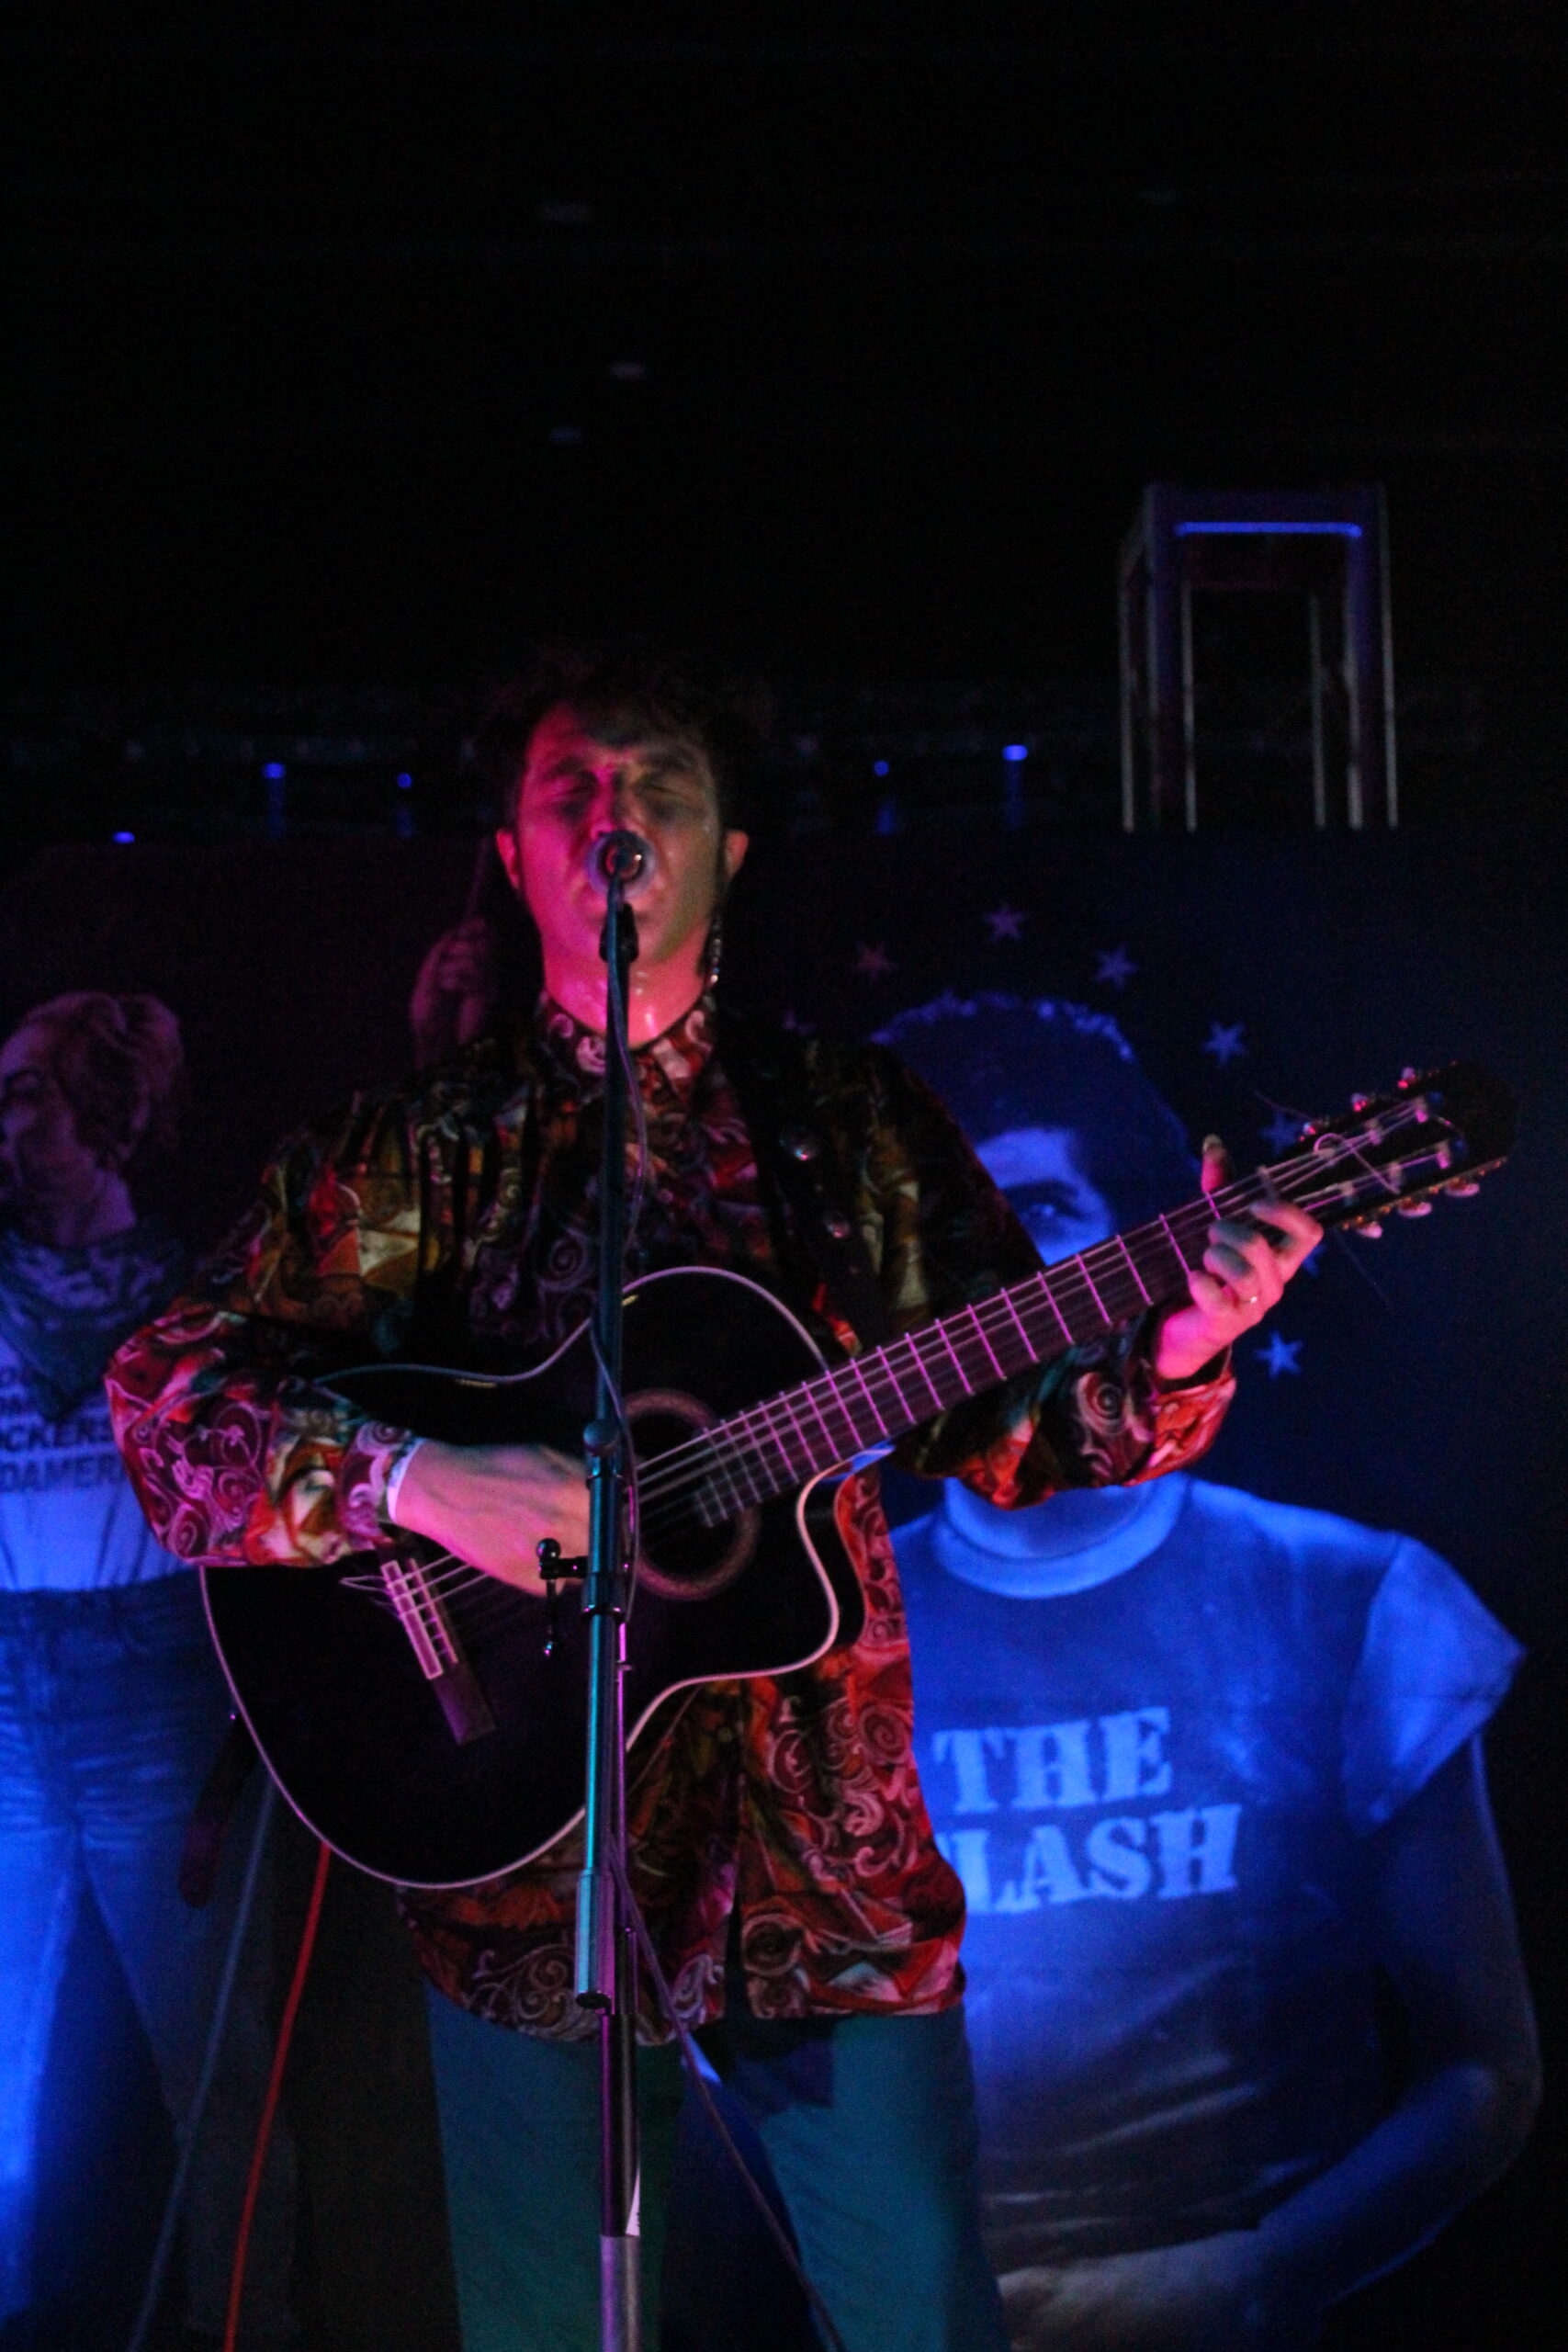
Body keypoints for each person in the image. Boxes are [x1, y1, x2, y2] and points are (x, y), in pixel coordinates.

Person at [106, 648, 1319, 2352]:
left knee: (922, 2319)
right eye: (573, 790)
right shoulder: (414, 1153)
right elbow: (165, 1398)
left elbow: (1015, 1429)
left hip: (825, 1871)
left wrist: (1180, 1347)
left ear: (729, 849)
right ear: (515, 854)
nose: (618, 815)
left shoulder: (851, 1125)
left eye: (660, 786)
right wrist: (420, 1481)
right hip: (528, 1869)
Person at [878, 995, 1540, 2352]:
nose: (1003, 1278)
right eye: (952, 1234)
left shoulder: (1359, 1601)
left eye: (1040, 1213)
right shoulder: (816, 1620)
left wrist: (1224, 2286)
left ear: (1141, 1239)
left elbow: (1483, 2070)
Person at [0, 993, 295, 2352]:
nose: (7, 1125)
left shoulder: (193, 1287)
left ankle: (244, 2326)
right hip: (11, 1669)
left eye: (29, 1093)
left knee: (215, 2060)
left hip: (157, 1674)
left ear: (109, 1109)